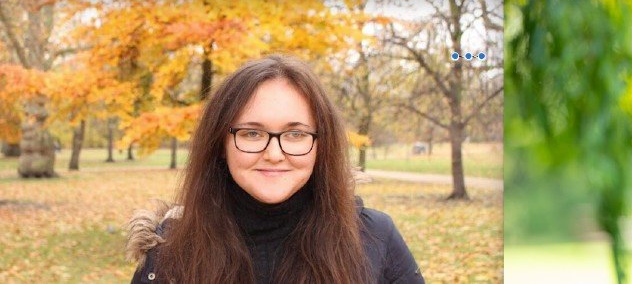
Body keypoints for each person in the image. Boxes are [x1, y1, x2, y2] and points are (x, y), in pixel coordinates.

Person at [126, 55, 424, 283]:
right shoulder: (170, 247)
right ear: (220, 143)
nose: (274, 153)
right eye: (251, 134)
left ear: (322, 145)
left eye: (295, 135)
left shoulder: (373, 236)